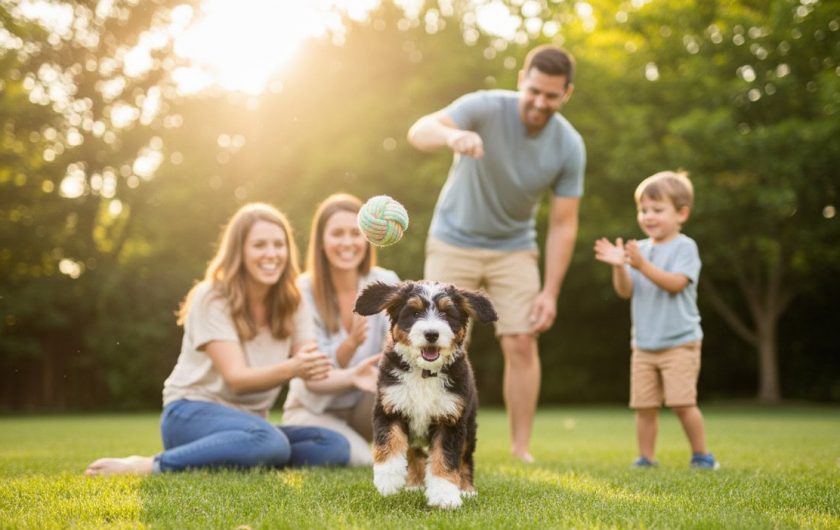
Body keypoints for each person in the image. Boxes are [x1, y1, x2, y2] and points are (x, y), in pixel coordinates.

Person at [85, 202, 379, 476]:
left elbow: (314, 374)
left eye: (279, 245)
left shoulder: (293, 301)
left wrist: (353, 375)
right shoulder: (212, 297)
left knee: (332, 445)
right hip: (191, 413)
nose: (271, 254)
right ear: (240, 251)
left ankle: (243, 453)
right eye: (260, 245)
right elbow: (237, 378)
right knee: (270, 441)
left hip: (249, 422)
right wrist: (293, 368)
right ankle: (151, 464)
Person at [407, 45, 585, 462]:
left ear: (567, 94)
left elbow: (563, 224)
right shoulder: (484, 107)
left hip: (515, 248)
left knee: (522, 342)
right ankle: (428, 440)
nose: (540, 102)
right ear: (522, 80)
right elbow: (419, 131)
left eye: (552, 96)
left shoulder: (569, 145)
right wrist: (453, 135)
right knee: (436, 341)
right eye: (534, 91)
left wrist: (551, 293)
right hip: (454, 238)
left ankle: (520, 448)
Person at [594, 171, 719, 469]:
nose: (648, 216)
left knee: (681, 402)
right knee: (644, 406)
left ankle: (702, 455)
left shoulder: (684, 247)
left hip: (680, 341)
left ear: (681, 213)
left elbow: (676, 283)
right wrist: (620, 267)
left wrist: (640, 264)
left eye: (658, 210)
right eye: (643, 210)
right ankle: (646, 458)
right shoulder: (639, 250)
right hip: (645, 343)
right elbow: (626, 291)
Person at [282, 193, 399, 466]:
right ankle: (294, 443)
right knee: (362, 459)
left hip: (363, 407)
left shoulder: (385, 281)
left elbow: (399, 355)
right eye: (337, 234)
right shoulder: (302, 291)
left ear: (367, 237)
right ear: (321, 242)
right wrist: (348, 348)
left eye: (355, 233)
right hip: (314, 409)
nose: (347, 242)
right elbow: (313, 378)